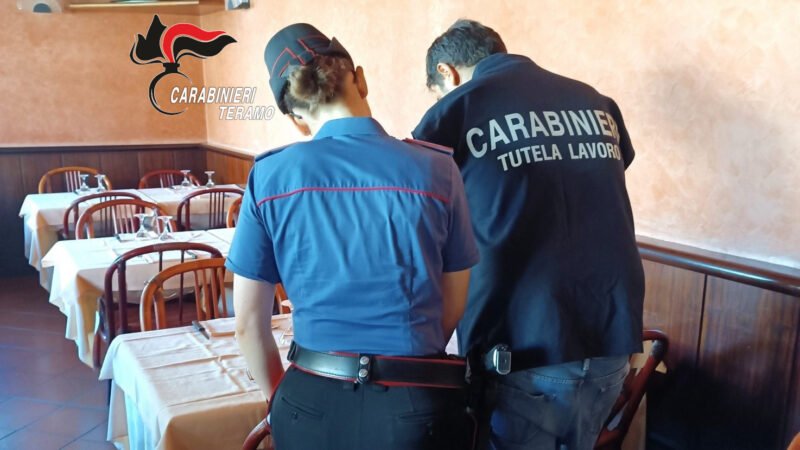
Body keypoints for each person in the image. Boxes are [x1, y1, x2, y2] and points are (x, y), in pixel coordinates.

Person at [227, 23, 481, 450]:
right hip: (416, 402)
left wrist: (281, 400)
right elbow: (453, 304)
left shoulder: (270, 177)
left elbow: (248, 325)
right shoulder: (437, 169)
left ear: (296, 119)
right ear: (360, 79)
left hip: (310, 401)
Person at [413, 19, 645, 450]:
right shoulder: (597, 103)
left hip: (521, 347)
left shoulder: (457, 109)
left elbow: (423, 219)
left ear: (447, 72)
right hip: (612, 335)